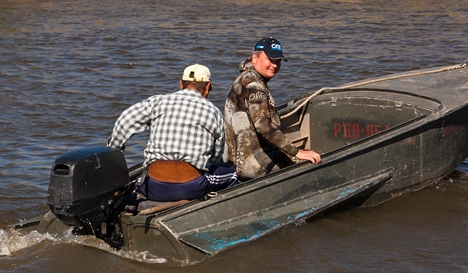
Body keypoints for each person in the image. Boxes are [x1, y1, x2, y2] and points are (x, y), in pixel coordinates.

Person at [107, 64, 238, 202]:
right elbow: (215, 156)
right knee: (231, 173)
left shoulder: (158, 102)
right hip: (191, 187)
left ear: (181, 84)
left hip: (153, 187)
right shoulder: (213, 112)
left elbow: (125, 121)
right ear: (207, 87)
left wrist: (114, 150)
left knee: (138, 178)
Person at [224, 37, 321, 181]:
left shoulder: (245, 78)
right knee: (313, 163)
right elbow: (262, 125)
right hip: (255, 166)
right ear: (254, 58)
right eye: (270, 60)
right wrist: (297, 152)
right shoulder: (254, 85)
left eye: (278, 61)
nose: (274, 65)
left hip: (239, 160)